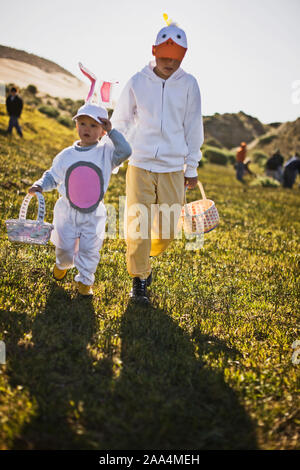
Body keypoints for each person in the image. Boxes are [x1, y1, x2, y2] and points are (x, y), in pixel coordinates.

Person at [111, 19, 204, 303]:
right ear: (154, 52)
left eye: (175, 58)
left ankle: (144, 259)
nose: (169, 63)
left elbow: (193, 126)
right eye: (164, 57)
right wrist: (114, 155)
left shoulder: (189, 85)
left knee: (166, 231)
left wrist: (191, 167)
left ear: (183, 57)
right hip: (139, 162)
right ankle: (138, 279)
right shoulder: (138, 81)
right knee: (137, 223)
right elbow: (122, 120)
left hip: (173, 167)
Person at [28, 102, 131, 296]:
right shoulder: (66, 155)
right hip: (67, 211)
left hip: (93, 214)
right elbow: (52, 176)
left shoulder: (106, 154)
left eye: (94, 126)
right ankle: (62, 264)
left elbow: (126, 151)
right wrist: (40, 185)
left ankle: (85, 282)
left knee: (90, 249)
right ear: (76, 126)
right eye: (82, 123)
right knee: (65, 248)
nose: (87, 129)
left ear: (102, 131)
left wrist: (112, 132)